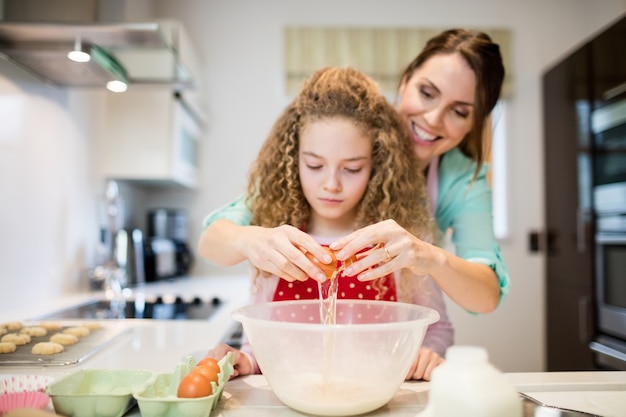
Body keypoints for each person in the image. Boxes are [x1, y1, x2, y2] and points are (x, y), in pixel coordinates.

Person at [199, 28, 509, 380]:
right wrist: (248, 240)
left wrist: (430, 257)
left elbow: (477, 301)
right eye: (427, 92)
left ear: (376, 166)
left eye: (459, 111)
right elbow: (215, 242)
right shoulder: (283, 200)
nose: (434, 119)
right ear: (405, 81)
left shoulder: (453, 188)